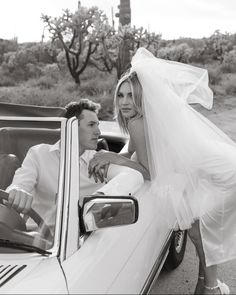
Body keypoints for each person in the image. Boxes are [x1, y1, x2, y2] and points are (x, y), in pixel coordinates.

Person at [88, 48, 236, 295]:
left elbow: (148, 172)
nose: (124, 101)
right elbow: (130, 154)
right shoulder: (140, 119)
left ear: (140, 98)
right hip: (210, 169)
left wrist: (111, 156)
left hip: (222, 175)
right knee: (198, 231)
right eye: (120, 95)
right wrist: (103, 157)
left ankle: (212, 289)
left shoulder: (138, 122)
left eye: (130, 96)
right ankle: (205, 284)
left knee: (200, 233)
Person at [5, 99, 144, 224]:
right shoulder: (38, 153)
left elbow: (134, 176)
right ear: (70, 126)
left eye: (98, 125)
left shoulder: (99, 160)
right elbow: (20, 184)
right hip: (36, 237)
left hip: (83, 239)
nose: (98, 132)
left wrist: (97, 199)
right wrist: (17, 191)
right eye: (91, 125)